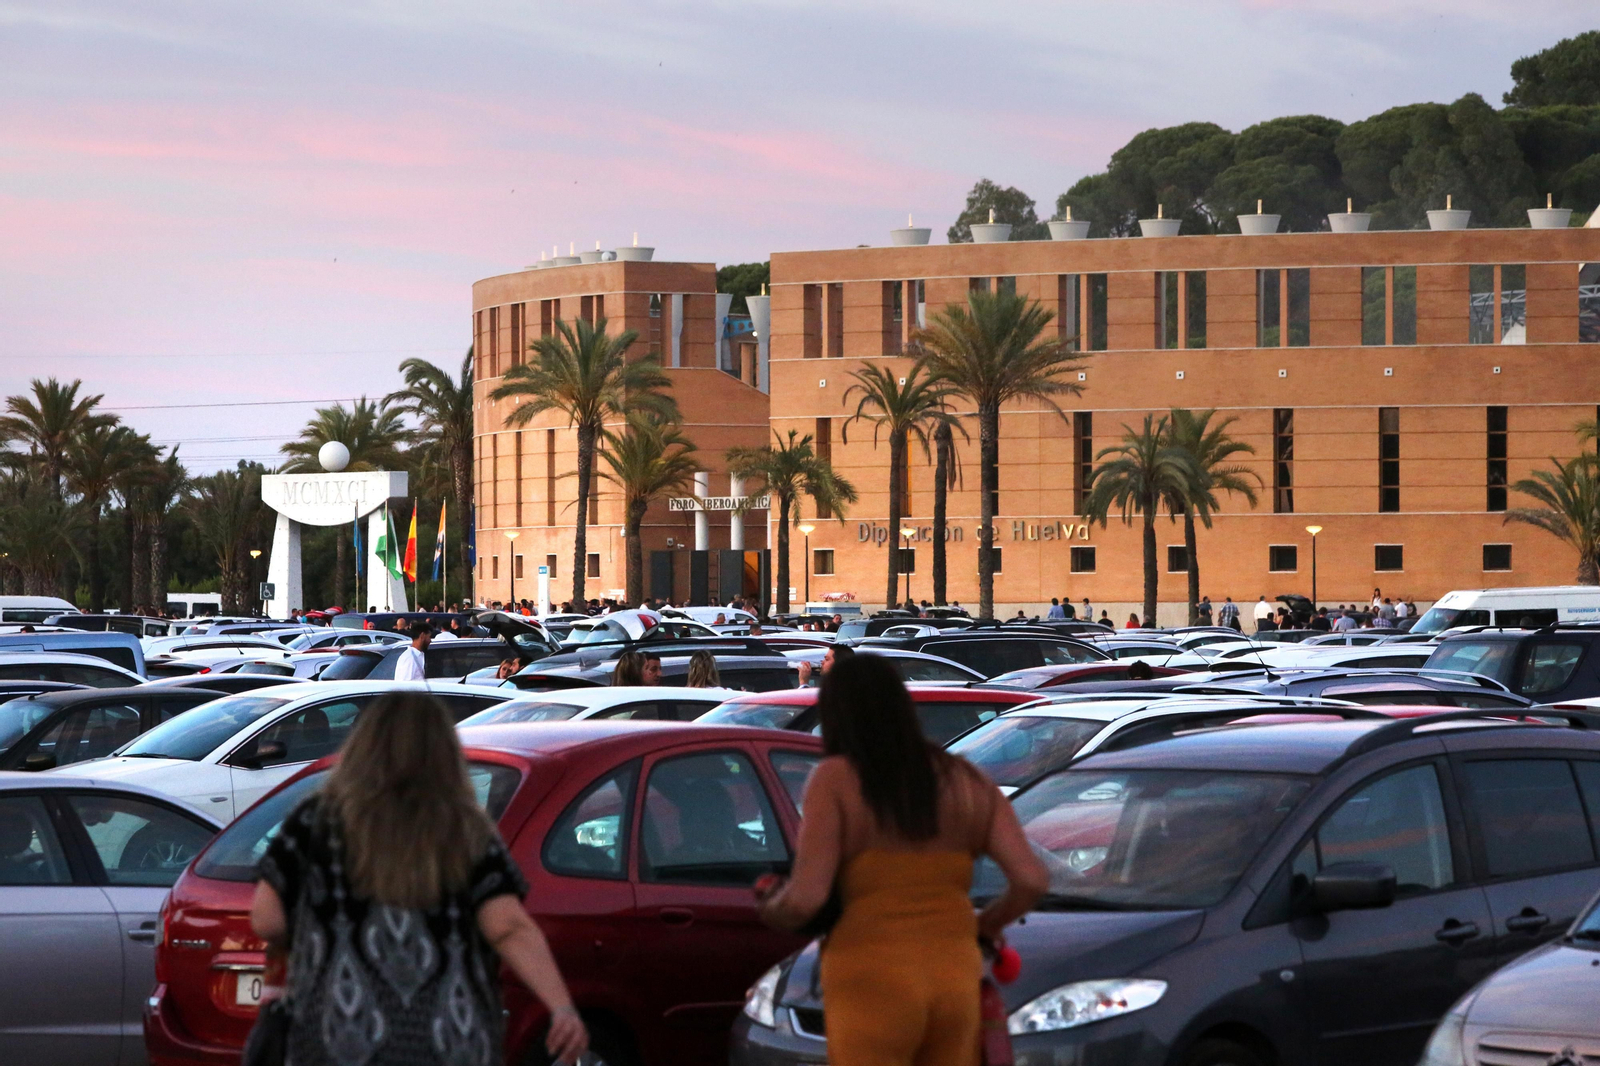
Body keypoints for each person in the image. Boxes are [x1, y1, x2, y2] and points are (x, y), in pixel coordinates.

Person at [250, 693, 587, 1066]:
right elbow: (507, 926)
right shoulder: (464, 828)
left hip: (336, 1036)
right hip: (451, 1039)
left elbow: (267, 919)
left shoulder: (314, 821)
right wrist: (562, 1008)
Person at [756, 656, 1047, 1066]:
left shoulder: (836, 780)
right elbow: (1031, 879)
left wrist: (771, 908)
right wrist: (984, 926)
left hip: (870, 975)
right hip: (954, 973)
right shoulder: (964, 779)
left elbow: (807, 898)